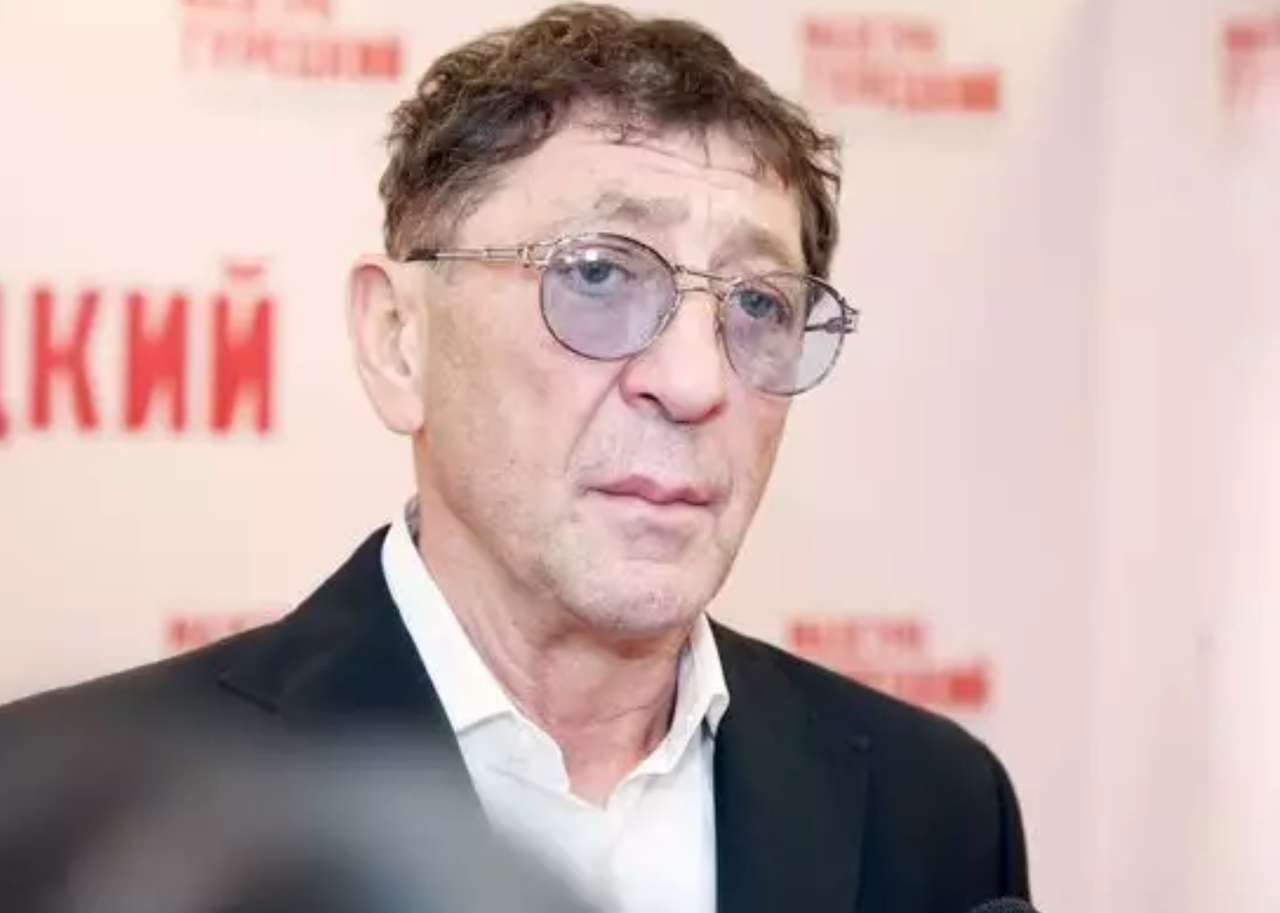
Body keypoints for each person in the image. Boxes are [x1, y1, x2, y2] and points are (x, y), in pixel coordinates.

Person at [0, 5, 1030, 913]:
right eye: (598, 275)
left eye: (758, 303)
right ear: (397, 340)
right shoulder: (85, 819)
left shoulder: (931, 806)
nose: (693, 381)